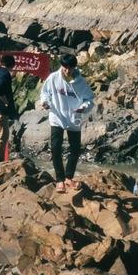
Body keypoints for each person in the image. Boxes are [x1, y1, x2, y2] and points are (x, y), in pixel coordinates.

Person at [39, 54, 95, 192]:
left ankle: (69, 178)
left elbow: (89, 100)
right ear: (62, 66)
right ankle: (59, 180)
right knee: (55, 148)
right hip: (57, 116)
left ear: (75, 67)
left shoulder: (81, 82)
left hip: (74, 117)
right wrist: (45, 102)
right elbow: (45, 93)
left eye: (70, 68)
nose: (67, 71)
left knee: (75, 149)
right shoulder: (53, 78)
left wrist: (83, 107)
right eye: (65, 68)